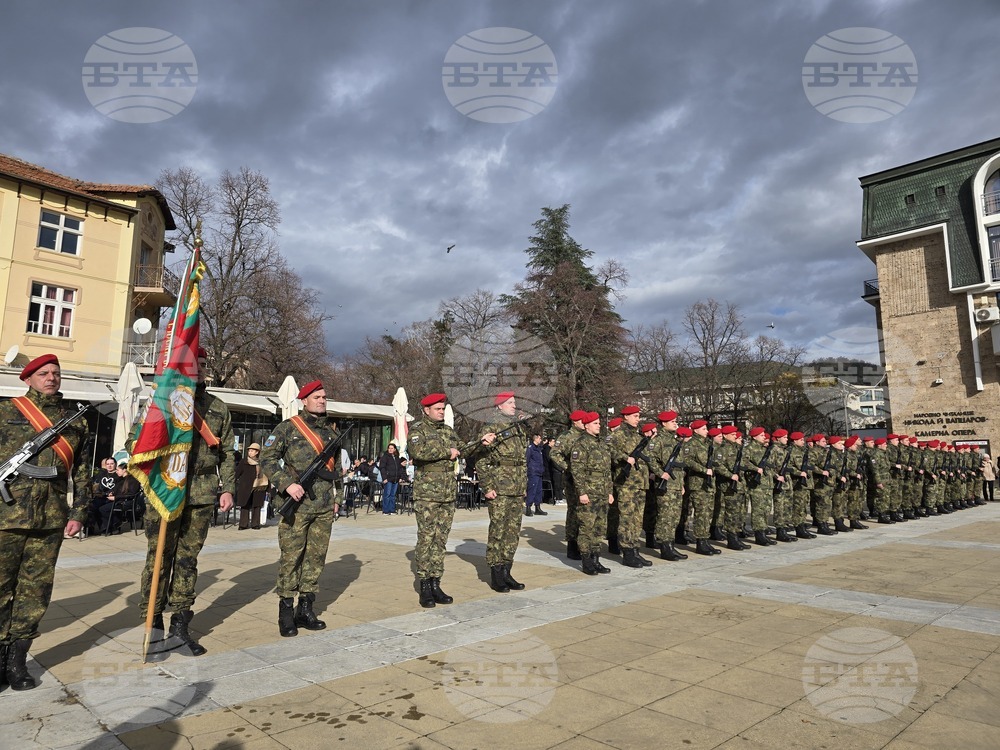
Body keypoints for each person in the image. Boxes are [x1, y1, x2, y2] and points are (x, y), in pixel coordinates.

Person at [135, 347, 236, 656]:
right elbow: (135, 441)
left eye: (204, 365)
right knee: (159, 558)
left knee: (187, 560)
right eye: (195, 364)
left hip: (202, 492)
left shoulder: (217, 408)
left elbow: (228, 452)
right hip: (166, 490)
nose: (200, 369)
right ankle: (153, 628)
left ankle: (180, 627)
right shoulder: (162, 402)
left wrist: (228, 488)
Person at [0, 354, 91, 690]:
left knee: (34, 592)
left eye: (56, 373)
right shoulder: (6, 410)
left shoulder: (75, 420)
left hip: (50, 519)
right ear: (28, 378)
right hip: (5, 518)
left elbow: (82, 471)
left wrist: (80, 512)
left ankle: (17, 663)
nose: (51, 378)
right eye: (43, 373)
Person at [261, 380, 340, 637]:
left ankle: (306, 609)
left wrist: (335, 496)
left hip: (323, 505)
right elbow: (267, 458)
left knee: (316, 557)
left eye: (324, 397)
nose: (322, 401)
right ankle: (286, 611)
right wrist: (287, 484)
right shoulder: (288, 428)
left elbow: (333, 470)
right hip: (296, 505)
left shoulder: (330, 431)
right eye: (317, 397)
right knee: (292, 557)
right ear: (304, 400)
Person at [408, 393, 492, 607]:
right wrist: (448, 451)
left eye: (443, 408)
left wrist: (481, 443)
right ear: (426, 410)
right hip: (427, 493)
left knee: (441, 538)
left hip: (446, 493)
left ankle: (436, 582)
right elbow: (417, 451)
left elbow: (463, 449)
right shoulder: (418, 430)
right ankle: (425, 585)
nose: (441, 411)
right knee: (427, 537)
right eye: (437, 408)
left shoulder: (448, 431)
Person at [478, 391, 529, 593]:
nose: (513, 405)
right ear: (499, 405)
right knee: (498, 530)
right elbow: (482, 459)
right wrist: (487, 486)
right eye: (509, 402)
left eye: (514, 402)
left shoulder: (517, 427)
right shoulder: (491, 426)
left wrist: (523, 486)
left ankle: (507, 570)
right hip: (499, 487)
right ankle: (496, 573)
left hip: (516, 488)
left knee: (513, 532)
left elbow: (521, 461)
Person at [571, 412, 613, 575]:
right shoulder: (581, 444)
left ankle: (596, 559)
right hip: (589, 491)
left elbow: (607, 471)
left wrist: (609, 491)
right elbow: (577, 470)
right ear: (587, 425)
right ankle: (586, 560)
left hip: (602, 492)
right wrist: (582, 492)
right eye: (595, 423)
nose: (599, 425)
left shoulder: (602, 444)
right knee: (587, 527)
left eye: (599, 423)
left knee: (599, 527)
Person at [235, 443, 269, 530]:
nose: (250, 452)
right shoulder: (244, 461)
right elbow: (237, 473)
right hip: (245, 486)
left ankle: (255, 524)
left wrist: (269, 489)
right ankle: (243, 524)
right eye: (249, 451)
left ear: (257, 452)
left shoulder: (261, 462)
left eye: (252, 451)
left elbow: (267, 474)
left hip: (259, 486)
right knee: (245, 505)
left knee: (256, 505)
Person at [87, 456, 119, 535]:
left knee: (101, 508)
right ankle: (89, 528)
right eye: (107, 464)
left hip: (113, 498)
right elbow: (96, 485)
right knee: (91, 507)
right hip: (101, 496)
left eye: (111, 464)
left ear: (115, 464)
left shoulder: (118, 475)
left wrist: (112, 493)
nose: (109, 466)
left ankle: (107, 528)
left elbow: (120, 487)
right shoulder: (102, 474)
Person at [525, 433, 546, 517]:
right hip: (533, 472)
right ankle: (528, 508)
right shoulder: (531, 449)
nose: (540, 440)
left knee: (538, 491)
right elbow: (527, 459)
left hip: (539, 472)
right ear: (535, 439)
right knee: (532, 490)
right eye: (539, 438)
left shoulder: (539, 449)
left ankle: (537, 507)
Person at [378, 443, 403, 515]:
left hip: (396, 479)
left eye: (392, 448)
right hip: (388, 478)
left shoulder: (397, 458)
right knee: (387, 494)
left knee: (393, 495)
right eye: (389, 448)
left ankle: (392, 510)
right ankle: (386, 510)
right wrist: (384, 478)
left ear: (395, 449)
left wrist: (400, 477)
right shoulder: (385, 457)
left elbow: (400, 468)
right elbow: (382, 468)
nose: (390, 449)